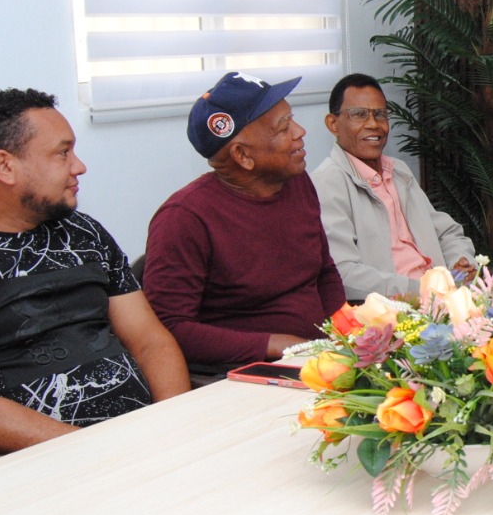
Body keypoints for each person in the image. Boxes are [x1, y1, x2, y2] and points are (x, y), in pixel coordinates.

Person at [0, 89, 188, 452]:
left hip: (147, 440)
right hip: (46, 464)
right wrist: (107, 452)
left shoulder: (83, 232)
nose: (79, 166)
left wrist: (176, 427)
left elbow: (149, 340)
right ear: (5, 166)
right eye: (63, 153)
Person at [144, 72, 345, 372]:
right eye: (283, 128)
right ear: (242, 155)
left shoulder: (297, 182)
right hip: (244, 373)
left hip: (321, 357)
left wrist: (345, 331)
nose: (300, 132)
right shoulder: (184, 218)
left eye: (292, 118)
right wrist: (274, 345)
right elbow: (169, 329)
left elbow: (324, 272)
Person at [310, 73, 476, 300]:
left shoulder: (397, 170)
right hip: (395, 311)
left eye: (380, 115)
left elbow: (446, 232)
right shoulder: (327, 183)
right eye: (359, 115)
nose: (373, 124)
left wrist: (460, 262)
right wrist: (422, 289)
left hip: (445, 298)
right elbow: (343, 273)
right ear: (333, 124)